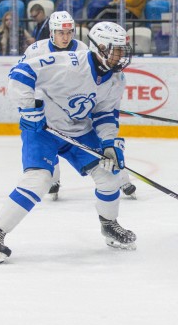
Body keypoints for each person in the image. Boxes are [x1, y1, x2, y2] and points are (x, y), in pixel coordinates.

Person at [0, 21, 136, 263]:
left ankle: (109, 225)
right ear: (100, 48)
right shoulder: (69, 63)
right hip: (43, 130)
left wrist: (109, 143)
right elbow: (20, 74)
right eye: (116, 50)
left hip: (79, 130)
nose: (121, 56)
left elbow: (105, 114)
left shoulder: (116, 79)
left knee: (110, 176)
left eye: (123, 50)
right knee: (39, 180)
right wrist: (30, 110)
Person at [20, 11, 137, 200]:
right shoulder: (36, 50)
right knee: (47, 146)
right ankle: (54, 181)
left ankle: (122, 180)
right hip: (48, 111)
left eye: (69, 32)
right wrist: (32, 105)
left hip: (74, 111)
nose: (65, 37)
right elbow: (24, 81)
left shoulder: (83, 50)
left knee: (103, 145)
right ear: (52, 32)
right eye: (60, 33)